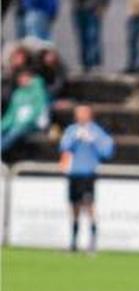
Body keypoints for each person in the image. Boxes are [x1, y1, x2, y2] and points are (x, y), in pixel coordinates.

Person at [59, 105, 115, 253]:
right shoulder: (72, 130)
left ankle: (92, 243)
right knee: (74, 208)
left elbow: (107, 151)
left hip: (88, 174)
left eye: (83, 113)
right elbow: (63, 147)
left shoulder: (97, 132)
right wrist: (76, 138)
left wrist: (92, 141)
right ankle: (73, 244)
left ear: (90, 114)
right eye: (78, 113)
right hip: (74, 173)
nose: (80, 116)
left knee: (89, 207)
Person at [1, 69, 49, 157]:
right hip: (16, 124)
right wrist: (2, 126)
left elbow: (38, 110)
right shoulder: (17, 93)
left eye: (25, 78)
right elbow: (11, 114)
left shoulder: (39, 91)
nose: (22, 80)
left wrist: (24, 123)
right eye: (20, 79)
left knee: (14, 132)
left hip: (33, 124)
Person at [73, 0, 109, 73]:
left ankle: (94, 64)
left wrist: (103, 6)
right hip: (79, 9)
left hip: (94, 9)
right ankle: (85, 64)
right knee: (82, 38)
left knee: (92, 37)